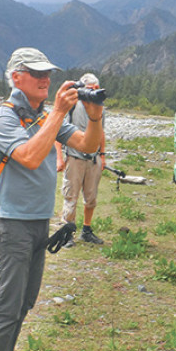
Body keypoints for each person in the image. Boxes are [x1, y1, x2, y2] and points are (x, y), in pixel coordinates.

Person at [0, 47, 104, 351]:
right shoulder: (2, 117)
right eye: (36, 73)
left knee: (23, 303)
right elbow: (27, 157)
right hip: (8, 223)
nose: (46, 79)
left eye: (48, 73)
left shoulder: (44, 117)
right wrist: (58, 112)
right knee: (4, 306)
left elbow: (88, 146)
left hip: (36, 223)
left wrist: (95, 115)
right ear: (16, 78)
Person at [55, 72, 106, 247]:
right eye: (89, 89)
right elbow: (57, 131)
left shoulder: (100, 107)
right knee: (71, 197)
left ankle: (87, 230)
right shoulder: (72, 106)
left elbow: (101, 133)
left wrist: (102, 155)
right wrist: (59, 158)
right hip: (74, 158)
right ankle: (67, 234)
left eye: (95, 89)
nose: (93, 93)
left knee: (91, 198)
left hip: (93, 159)